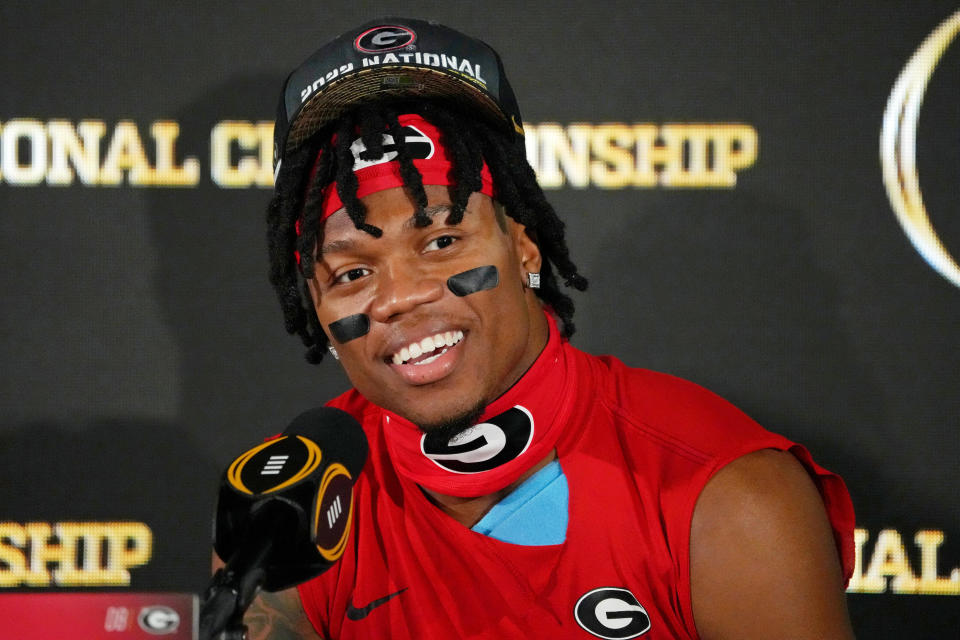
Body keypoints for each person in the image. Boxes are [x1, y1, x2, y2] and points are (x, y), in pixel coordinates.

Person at [246, 16, 856, 639]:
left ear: (524, 245)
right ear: (315, 307)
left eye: (443, 239)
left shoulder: (728, 494)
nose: (400, 297)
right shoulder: (285, 508)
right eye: (351, 274)